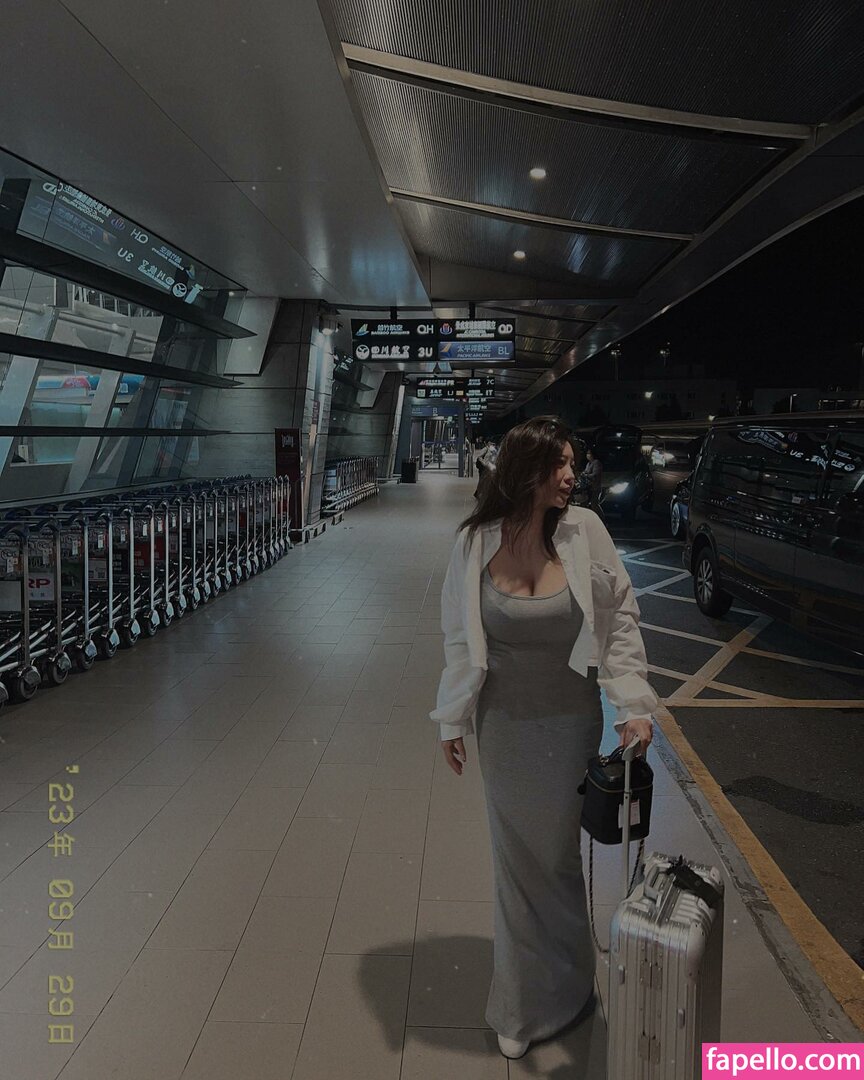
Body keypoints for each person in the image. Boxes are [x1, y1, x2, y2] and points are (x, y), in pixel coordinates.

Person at [430, 416, 657, 1061]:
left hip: (570, 721)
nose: (570, 476)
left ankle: (571, 982)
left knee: (556, 858)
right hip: (503, 726)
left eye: (572, 464)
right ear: (524, 471)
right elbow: (458, 636)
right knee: (516, 862)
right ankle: (521, 1005)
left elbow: (619, 621)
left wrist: (633, 704)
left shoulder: (585, 531)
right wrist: (452, 718)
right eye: (559, 464)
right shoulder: (474, 541)